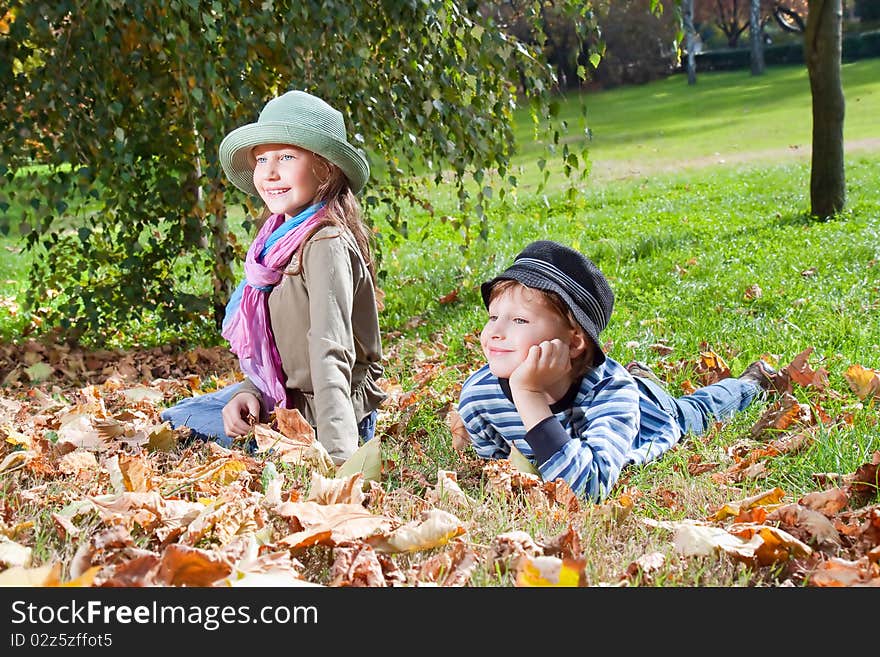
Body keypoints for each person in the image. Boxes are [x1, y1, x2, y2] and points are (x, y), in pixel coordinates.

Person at [456, 240, 779, 502]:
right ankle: (645, 378)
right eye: (492, 316)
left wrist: (528, 395)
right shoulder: (478, 395)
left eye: (520, 320)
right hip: (611, 401)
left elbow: (587, 489)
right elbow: (498, 469)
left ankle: (753, 382)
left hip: (650, 416)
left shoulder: (609, 391)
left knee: (695, 410)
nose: (495, 332)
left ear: (573, 342)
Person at [161, 90, 386, 465]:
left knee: (183, 427)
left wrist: (338, 458)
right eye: (262, 158)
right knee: (178, 416)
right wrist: (249, 391)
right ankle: (259, 417)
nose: (269, 171)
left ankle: (288, 442)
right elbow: (278, 344)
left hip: (327, 416)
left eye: (286, 157)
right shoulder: (276, 241)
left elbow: (332, 352)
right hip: (285, 396)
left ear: (326, 168)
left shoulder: (324, 242)